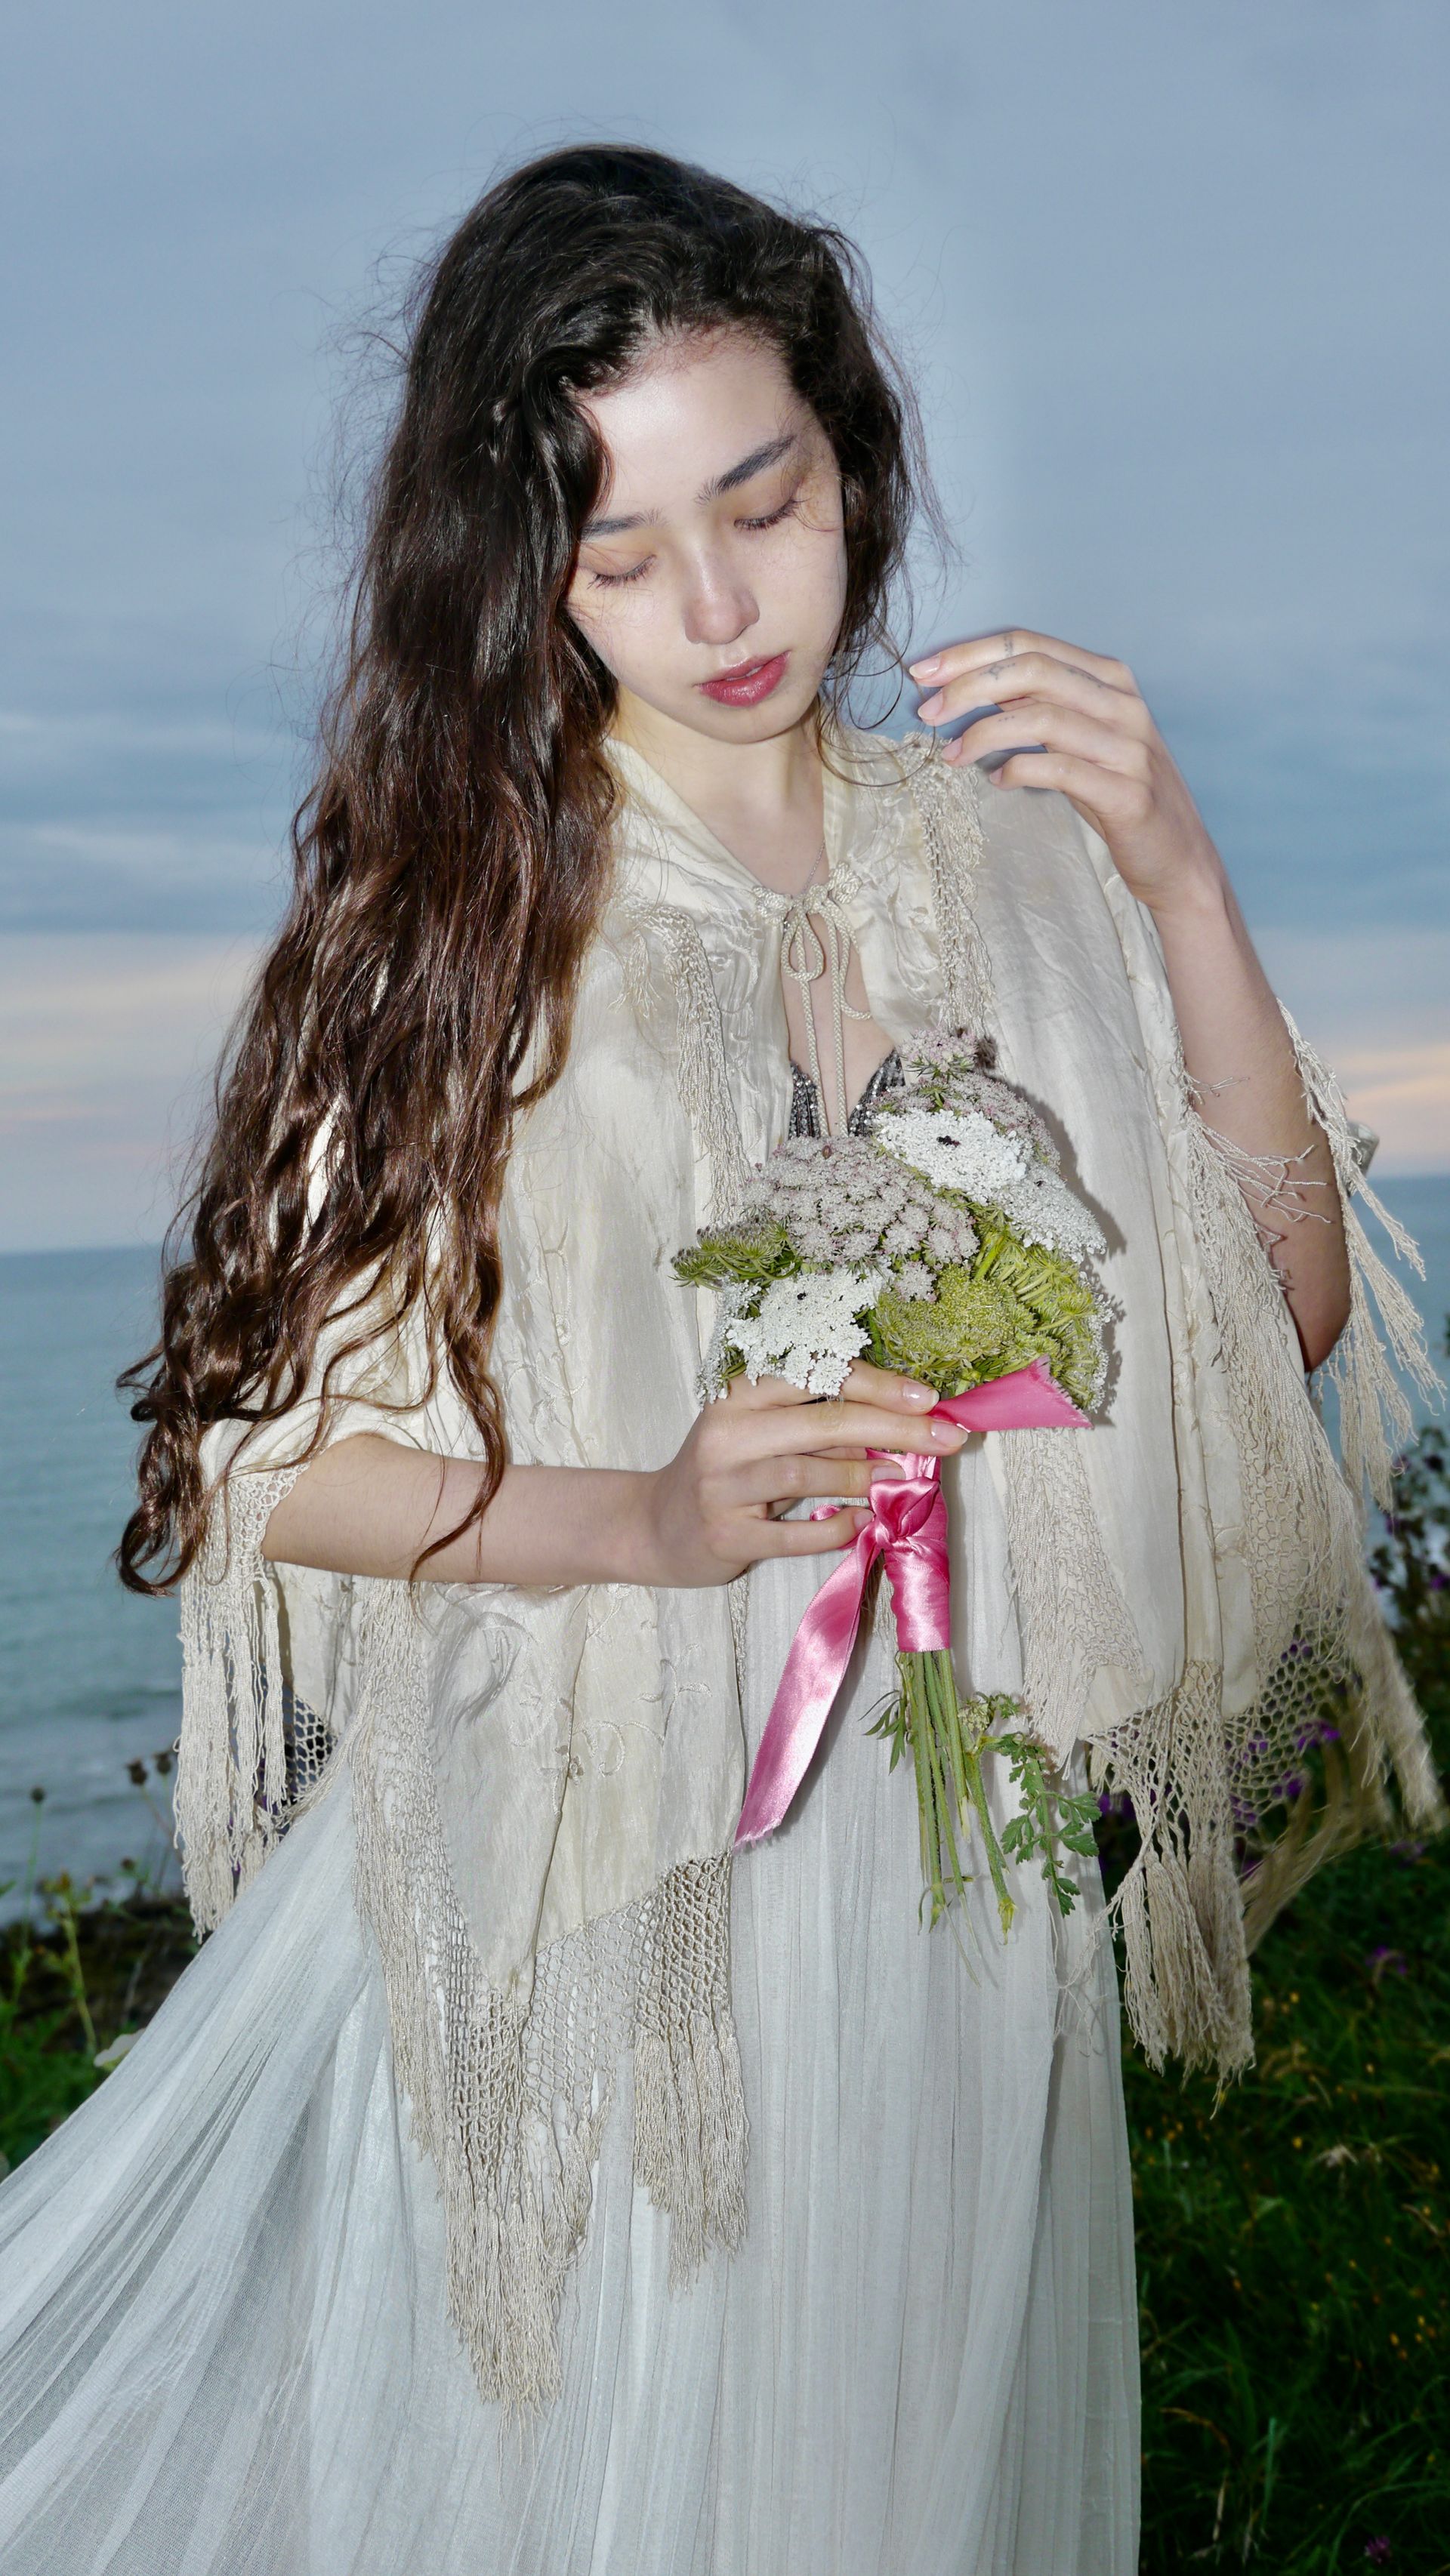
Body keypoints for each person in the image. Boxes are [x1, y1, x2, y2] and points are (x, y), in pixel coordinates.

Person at [0, 143, 1436, 2576]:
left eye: (761, 501)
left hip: (953, 1903)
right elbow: (272, 1453)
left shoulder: (1014, 863)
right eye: (619, 550)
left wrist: (1181, 876)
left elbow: (1271, 1316)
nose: (719, 601)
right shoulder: (465, 909)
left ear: (850, 454)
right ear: (520, 577)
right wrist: (637, 1515)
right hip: (609, 1888)